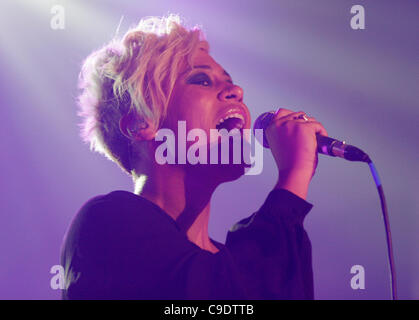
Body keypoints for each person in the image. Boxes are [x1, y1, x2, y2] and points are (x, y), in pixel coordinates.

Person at [61, 14, 328, 299]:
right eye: (201, 80)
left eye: (231, 83)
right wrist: (292, 178)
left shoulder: (230, 261)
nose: (236, 91)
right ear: (141, 123)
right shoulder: (105, 224)